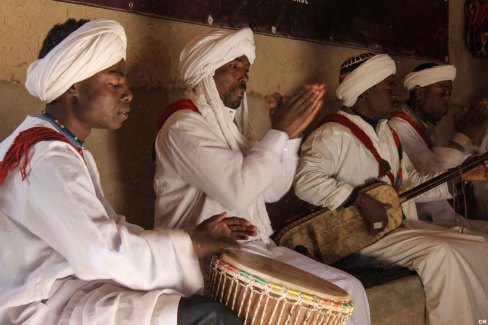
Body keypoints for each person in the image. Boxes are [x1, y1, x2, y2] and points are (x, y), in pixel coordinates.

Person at [0, 18, 258, 325]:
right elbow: (102, 251)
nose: (128, 94)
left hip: (65, 290)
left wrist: (189, 238)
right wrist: (189, 246)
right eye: (113, 83)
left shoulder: (57, 144)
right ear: (72, 85)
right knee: (210, 316)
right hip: (39, 305)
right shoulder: (48, 157)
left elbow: (108, 226)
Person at [154, 27, 371, 325]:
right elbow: (236, 190)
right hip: (206, 258)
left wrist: (290, 137)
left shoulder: (234, 128)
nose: (244, 77)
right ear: (207, 70)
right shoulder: (183, 126)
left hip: (253, 249)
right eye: (234, 67)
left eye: (247, 69)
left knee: (349, 291)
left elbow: (271, 191)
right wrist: (278, 133)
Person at [294, 52, 488, 324]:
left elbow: (409, 185)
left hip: (393, 229)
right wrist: (357, 199)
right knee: (441, 255)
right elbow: (305, 182)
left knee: (478, 244)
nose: (396, 95)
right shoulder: (332, 133)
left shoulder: (386, 133)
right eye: (389, 87)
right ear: (366, 90)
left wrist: (459, 177)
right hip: (357, 238)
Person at [388, 63, 488, 232]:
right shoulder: (398, 128)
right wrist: (464, 136)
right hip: (425, 225)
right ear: (419, 92)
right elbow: (434, 177)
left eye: (449, 94)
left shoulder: (428, 129)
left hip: (446, 219)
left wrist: (469, 154)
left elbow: (451, 164)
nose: (448, 100)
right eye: (442, 93)